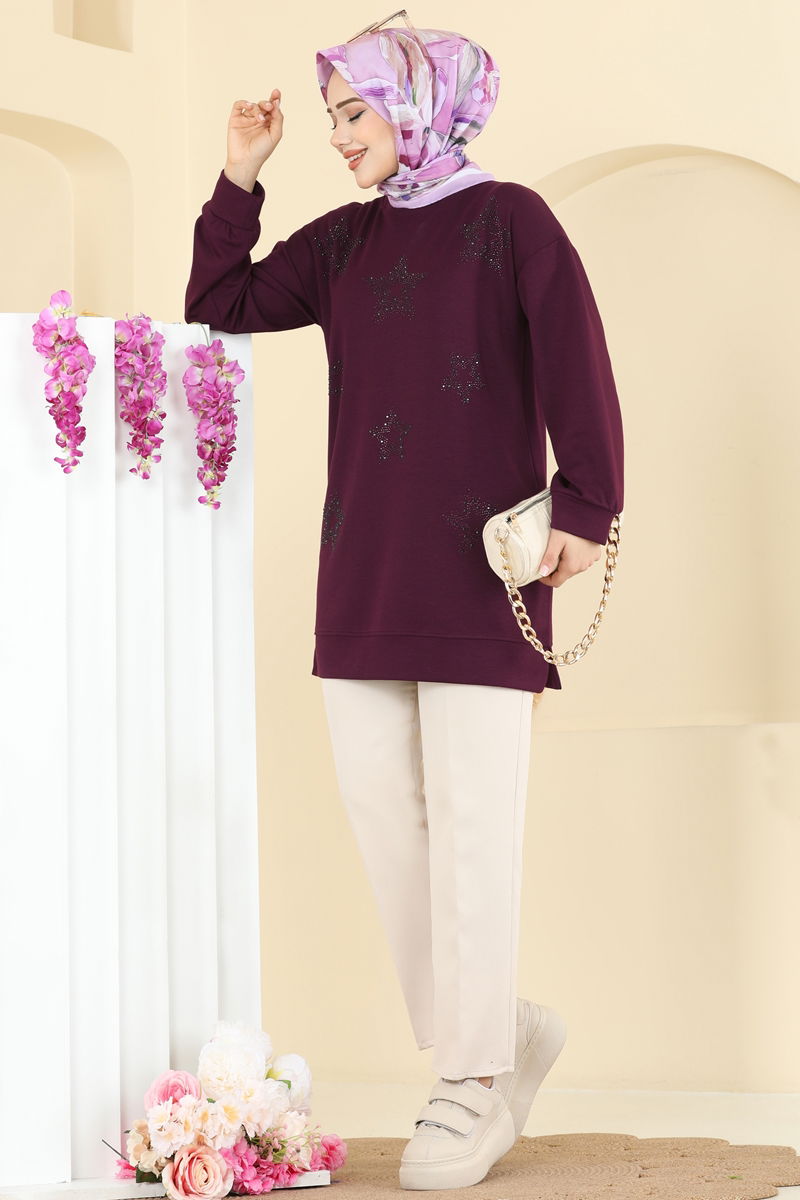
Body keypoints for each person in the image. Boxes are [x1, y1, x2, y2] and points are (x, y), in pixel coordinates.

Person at [184, 17, 624, 1191]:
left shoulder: (511, 221)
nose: (338, 137)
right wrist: (241, 174)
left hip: (480, 577)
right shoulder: (343, 243)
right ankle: (499, 1028)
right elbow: (218, 304)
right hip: (363, 573)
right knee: (388, 819)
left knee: (475, 826)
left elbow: (576, 360)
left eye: (354, 113)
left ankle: (472, 1078)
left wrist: (585, 504)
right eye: (331, 116)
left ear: (419, 104)